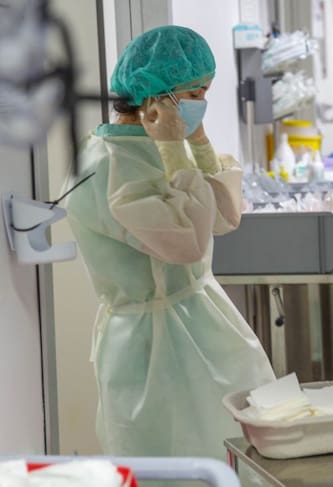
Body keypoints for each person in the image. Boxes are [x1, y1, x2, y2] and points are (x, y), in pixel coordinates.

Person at [65, 25, 275, 464]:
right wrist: (175, 150)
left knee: (234, 451)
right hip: (149, 346)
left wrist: (196, 144)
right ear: (155, 96)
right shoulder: (107, 164)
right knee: (170, 462)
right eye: (195, 93)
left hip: (203, 322)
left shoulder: (157, 146)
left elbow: (224, 216)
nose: (202, 103)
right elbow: (186, 241)